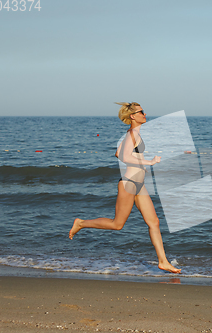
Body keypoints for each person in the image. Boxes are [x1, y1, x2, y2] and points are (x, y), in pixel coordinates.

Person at [69, 102, 181, 274]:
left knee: (154, 222)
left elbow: (118, 153)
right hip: (129, 183)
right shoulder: (132, 134)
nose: (145, 114)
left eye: (143, 111)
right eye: (141, 112)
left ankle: (163, 261)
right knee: (117, 224)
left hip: (138, 185)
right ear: (133, 116)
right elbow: (125, 156)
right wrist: (149, 162)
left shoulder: (132, 134)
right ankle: (81, 223)